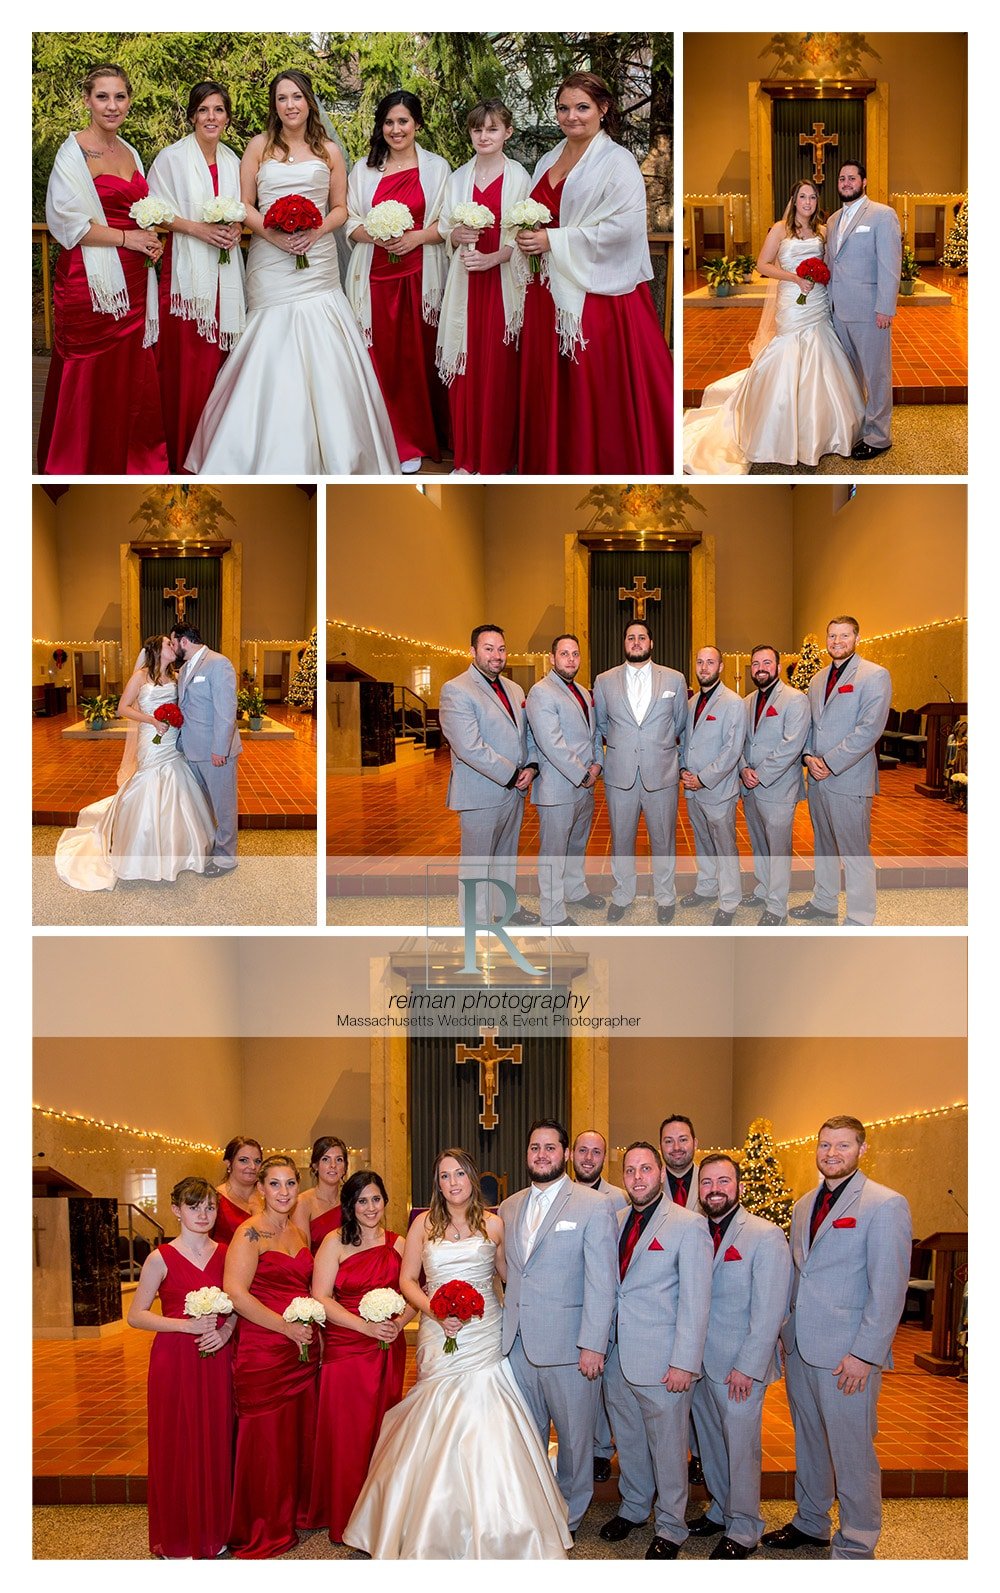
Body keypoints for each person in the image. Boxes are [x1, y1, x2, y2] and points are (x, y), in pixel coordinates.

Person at [346, 1149, 573, 1558]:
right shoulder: (422, 1226)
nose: (453, 1183)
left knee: (488, 1416)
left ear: (471, 1178)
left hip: (484, 1334)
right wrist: (437, 1309)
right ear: (438, 1183)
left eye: (459, 1174)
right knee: (435, 1417)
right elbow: (408, 1280)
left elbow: (508, 1279)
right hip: (439, 1332)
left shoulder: (495, 1224)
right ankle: (426, 1522)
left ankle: (504, 1526)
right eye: (444, 1176)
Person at [185, 70, 398, 475]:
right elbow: (244, 204)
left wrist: (314, 232)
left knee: (326, 346)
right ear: (275, 105)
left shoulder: (330, 151)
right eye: (282, 98)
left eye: (297, 96)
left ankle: (343, 455)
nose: (290, 105)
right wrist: (275, 234)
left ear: (308, 102)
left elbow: (340, 208)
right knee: (269, 345)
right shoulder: (258, 148)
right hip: (270, 258)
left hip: (316, 263)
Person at [762, 1116, 911, 1559]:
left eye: (842, 1145)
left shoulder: (885, 1205)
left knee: (852, 1453)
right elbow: (797, 1272)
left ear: (862, 1150)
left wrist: (865, 1355)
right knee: (809, 1442)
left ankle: (858, 1543)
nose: (831, 1153)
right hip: (803, 1348)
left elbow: (889, 1289)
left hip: (848, 1355)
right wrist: (784, 1331)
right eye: (825, 1144)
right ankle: (811, 1521)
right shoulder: (805, 1203)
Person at [515, 72, 673, 473]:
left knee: (594, 389)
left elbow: (626, 228)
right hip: (547, 289)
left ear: (603, 109)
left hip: (599, 298)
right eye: (564, 108)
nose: (572, 117)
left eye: (582, 107)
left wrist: (555, 241)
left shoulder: (617, 161)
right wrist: (527, 232)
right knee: (554, 387)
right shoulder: (549, 158)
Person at [38, 63, 169, 475]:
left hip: (133, 280)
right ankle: (76, 462)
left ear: (129, 100)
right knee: (88, 371)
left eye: (119, 97)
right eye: (102, 97)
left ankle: (130, 462)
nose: (112, 106)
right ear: (87, 101)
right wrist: (127, 238)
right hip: (89, 282)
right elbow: (66, 222)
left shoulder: (130, 151)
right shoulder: (73, 151)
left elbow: (141, 213)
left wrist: (150, 238)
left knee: (129, 376)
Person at [683, 179, 864, 475]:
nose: (808, 202)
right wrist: (794, 278)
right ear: (793, 200)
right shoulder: (780, 229)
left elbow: (835, 261)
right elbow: (762, 264)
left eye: (813, 197)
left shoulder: (822, 231)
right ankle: (775, 426)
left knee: (822, 349)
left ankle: (823, 430)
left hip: (817, 300)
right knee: (788, 350)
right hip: (793, 300)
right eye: (803, 197)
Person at [499, 1120, 617, 1534]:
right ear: (527, 1153)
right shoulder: (509, 1207)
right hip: (517, 1345)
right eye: (535, 1148)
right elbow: (513, 1273)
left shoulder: (591, 1204)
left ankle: (568, 1517)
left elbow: (603, 1282)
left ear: (565, 1154)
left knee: (574, 1442)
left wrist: (594, 1344)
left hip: (570, 1348)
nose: (542, 1155)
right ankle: (535, 1508)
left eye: (551, 1147)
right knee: (528, 1438)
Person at [600, 1141, 712, 1559]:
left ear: (661, 1173)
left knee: (668, 1449)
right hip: (618, 1358)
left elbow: (697, 1301)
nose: (637, 1178)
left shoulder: (688, 1224)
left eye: (646, 1169)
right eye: (630, 1171)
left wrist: (685, 1361)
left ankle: (671, 1525)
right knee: (628, 1441)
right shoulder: (613, 1220)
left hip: (664, 1362)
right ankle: (633, 1507)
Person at [687, 1155, 792, 1560]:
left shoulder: (764, 1236)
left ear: (740, 1187)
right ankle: (721, 1509)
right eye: (707, 1181)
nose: (715, 1188)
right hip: (699, 1364)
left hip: (739, 1368)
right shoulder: (696, 1231)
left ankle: (746, 1527)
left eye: (724, 1181)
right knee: (712, 1446)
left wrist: (748, 1366)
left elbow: (769, 1311)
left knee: (741, 1449)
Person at [127, 1177, 237, 1559]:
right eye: (194, 1207)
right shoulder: (160, 1258)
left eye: (210, 1207)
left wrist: (224, 1333)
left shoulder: (227, 1253)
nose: (203, 1214)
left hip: (216, 1355)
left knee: (217, 1437)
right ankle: (178, 1534)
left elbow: (237, 1306)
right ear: (176, 1210)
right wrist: (184, 1325)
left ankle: (215, 1529)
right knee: (178, 1440)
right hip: (175, 1359)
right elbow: (136, 1316)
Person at [54, 634, 214, 891]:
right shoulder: (140, 676)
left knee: (177, 780)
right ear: (155, 650)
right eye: (167, 644)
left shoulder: (175, 676)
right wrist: (151, 720)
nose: (172, 647)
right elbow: (123, 708)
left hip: (172, 738)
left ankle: (181, 848)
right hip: (151, 736)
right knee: (148, 781)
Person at [305, 1170, 413, 1543]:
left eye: (376, 1199)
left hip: (386, 1348)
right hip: (347, 1348)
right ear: (349, 1205)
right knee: (348, 1434)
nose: (370, 1207)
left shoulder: (399, 1243)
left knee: (383, 1431)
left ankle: (378, 1518)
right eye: (361, 1200)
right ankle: (346, 1516)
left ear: (385, 1201)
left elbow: (418, 1289)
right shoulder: (334, 1242)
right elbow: (320, 1297)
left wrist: (400, 1322)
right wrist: (363, 1327)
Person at [346, 90, 450, 472]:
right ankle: (385, 439)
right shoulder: (364, 170)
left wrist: (417, 237)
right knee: (382, 362)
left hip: (421, 277)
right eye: (389, 122)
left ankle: (417, 441)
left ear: (417, 124)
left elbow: (448, 221)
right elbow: (350, 220)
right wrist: (375, 235)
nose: (396, 129)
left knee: (416, 362)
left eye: (403, 121)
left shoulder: (437, 169)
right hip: (375, 279)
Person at [223, 1153, 319, 1558]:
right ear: (260, 1189)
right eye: (274, 1184)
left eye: (290, 1184)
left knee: (294, 1437)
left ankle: (292, 1512)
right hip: (263, 1350)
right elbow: (236, 1293)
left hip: (300, 1352)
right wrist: (284, 1327)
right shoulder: (249, 1234)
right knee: (266, 1441)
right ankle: (261, 1524)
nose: (283, 1192)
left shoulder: (297, 1233)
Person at [147, 80, 246, 472]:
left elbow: (243, 208)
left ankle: (214, 453)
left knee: (220, 365)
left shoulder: (234, 161)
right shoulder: (170, 159)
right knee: (185, 366)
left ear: (227, 117)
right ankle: (180, 451)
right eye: (203, 110)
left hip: (224, 274)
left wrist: (236, 230)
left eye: (218, 110)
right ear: (192, 115)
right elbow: (155, 210)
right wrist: (197, 229)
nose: (211, 117)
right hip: (185, 280)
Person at [436, 100, 531, 473]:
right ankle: (467, 457)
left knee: (498, 370)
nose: (484, 136)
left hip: (502, 283)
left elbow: (525, 233)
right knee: (465, 367)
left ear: (507, 132)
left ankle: (495, 459)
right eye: (477, 129)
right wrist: (456, 235)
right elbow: (445, 227)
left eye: (492, 129)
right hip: (465, 285)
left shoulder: (520, 176)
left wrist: (494, 259)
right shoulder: (457, 178)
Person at [790, 616, 892, 926]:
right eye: (832, 635)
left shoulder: (875, 675)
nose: (837, 641)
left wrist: (830, 762)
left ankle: (861, 916)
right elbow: (811, 723)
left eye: (844, 635)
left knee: (854, 849)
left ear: (857, 638)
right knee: (823, 846)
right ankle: (824, 903)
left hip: (848, 778)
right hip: (819, 778)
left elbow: (869, 729)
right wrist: (808, 756)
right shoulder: (819, 678)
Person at [438, 624, 539, 926]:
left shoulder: (515, 689)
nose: (496, 655)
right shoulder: (456, 689)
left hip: (514, 790)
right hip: (481, 793)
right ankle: (477, 925)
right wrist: (512, 773)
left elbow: (527, 734)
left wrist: (531, 767)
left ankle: (503, 910)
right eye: (488, 648)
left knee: (506, 860)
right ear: (472, 651)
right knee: (477, 866)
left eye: (501, 649)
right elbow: (469, 747)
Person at [593, 621, 688, 925]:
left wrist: (654, 746)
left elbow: (679, 723)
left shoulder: (674, 679)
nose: (636, 642)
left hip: (661, 774)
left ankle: (665, 896)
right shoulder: (604, 680)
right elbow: (602, 725)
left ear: (651, 643)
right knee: (621, 839)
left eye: (642, 637)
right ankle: (622, 895)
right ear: (624, 643)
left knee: (663, 840)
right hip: (620, 776)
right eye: (631, 637)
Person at [525, 635, 605, 926]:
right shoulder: (541, 692)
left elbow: (593, 733)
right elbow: (551, 742)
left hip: (585, 785)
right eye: (564, 654)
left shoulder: (583, 692)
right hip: (558, 787)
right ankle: (552, 912)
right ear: (552, 658)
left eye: (575, 654)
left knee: (576, 845)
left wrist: (597, 764)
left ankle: (575, 890)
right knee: (553, 853)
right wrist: (582, 773)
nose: (570, 659)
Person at [827, 160, 902, 460]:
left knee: (876, 375)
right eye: (842, 178)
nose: (846, 182)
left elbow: (890, 264)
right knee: (850, 377)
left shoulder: (883, 215)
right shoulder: (832, 220)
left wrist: (885, 307)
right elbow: (832, 264)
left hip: (871, 312)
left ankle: (879, 437)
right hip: (838, 312)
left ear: (864, 182)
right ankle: (858, 427)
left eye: (852, 178)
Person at [570, 1130, 628, 1485]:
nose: (589, 1157)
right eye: (583, 1151)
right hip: (572, 1304)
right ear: (571, 1155)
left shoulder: (619, 1198)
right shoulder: (561, 1195)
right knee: (582, 1386)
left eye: (596, 1152)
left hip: (607, 1302)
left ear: (604, 1158)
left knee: (607, 1386)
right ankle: (586, 1447)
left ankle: (604, 1450)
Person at [739, 645, 811, 925]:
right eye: (756, 663)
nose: (761, 668)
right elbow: (741, 742)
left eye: (767, 662)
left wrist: (761, 774)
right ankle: (763, 888)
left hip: (778, 787)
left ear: (778, 667)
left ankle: (777, 907)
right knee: (759, 843)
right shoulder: (745, 702)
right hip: (749, 785)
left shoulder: (795, 700)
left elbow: (792, 744)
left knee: (778, 847)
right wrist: (744, 768)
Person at [679, 647, 744, 925]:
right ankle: (706, 887)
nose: (704, 668)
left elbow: (732, 750)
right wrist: (683, 770)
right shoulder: (692, 702)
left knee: (724, 845)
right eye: (700, 662)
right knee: (703, 841)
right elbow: (686, 741)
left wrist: (702, 778)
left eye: (710, 663)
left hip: (717, 790)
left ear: (720, 667)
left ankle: (729, 900)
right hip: (692, 789)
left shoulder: (733, 702)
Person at [170, 623, 241, 876]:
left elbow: (226, 710)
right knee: (205, 805)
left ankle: (226, 858)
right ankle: (211, 847)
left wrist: (220, 749)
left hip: (215, 752)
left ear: (184, 641)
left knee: (224, 806)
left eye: (173, 642)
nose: (172, 646)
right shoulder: (186, 667)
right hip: (191, 750)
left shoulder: (218, 663)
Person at [295, 1134, 348, 1251]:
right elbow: (303, 1254)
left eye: (339, 1160)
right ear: (315, 1166)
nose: (333, 1165)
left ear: (344, 1168)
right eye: (325, 1159)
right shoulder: (302, 1202)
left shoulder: (350, 1201)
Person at [212, 1136, 264, 1241]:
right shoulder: (214, 1199)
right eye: (244, 1160)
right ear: (228, 1163)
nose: (252, 1166)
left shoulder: (270, 1197)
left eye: (257, 1161)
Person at [659, 1115, 699, 1206]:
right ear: (660, 1146)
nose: (676, 1147)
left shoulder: (710, 1184)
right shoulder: (651, 1185)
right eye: (669, 1141)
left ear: (695, 1144)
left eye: (683, 1140)